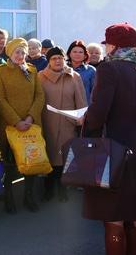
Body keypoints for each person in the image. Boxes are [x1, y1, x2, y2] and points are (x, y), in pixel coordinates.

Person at [78, 23, 136, 255]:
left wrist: (86, 122)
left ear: (114, 45)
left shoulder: (109, 69)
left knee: (113, 217)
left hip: (111, 148)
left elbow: (98, 112)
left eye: (108, 43)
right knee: (133, 215)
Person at [0, 38, 45, 214]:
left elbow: (40, 96)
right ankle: (9, 197)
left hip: (30, 125)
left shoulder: (32, 70)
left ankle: (28, 196)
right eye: (17, 52)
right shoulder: (0, 72)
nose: (20, 56)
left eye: (23, 52)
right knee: (9, 164)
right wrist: (16, 121)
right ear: (10, 53)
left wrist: (30, 118)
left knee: (31, 161)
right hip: (10, 126)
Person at [38, 46, 87, 202]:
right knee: (49, 156)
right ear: (49, 61)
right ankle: (48, 188)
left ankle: (62, 189)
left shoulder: (74, 76)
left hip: (67, 123)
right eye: (53, 58)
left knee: (65, 156)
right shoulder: (40, 76)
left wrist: (81, 116)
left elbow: (80, 98)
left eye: (60, 57)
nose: (57, 61)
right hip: (47, 122)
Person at [66, 40, 96, 104]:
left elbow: (95, 92)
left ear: (85, 55)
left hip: (85, 108)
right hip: (66, 106)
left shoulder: (91, 70)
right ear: (69, 54)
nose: (77, 54)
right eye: (74, 52)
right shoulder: (63, 69)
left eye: (80, 52)